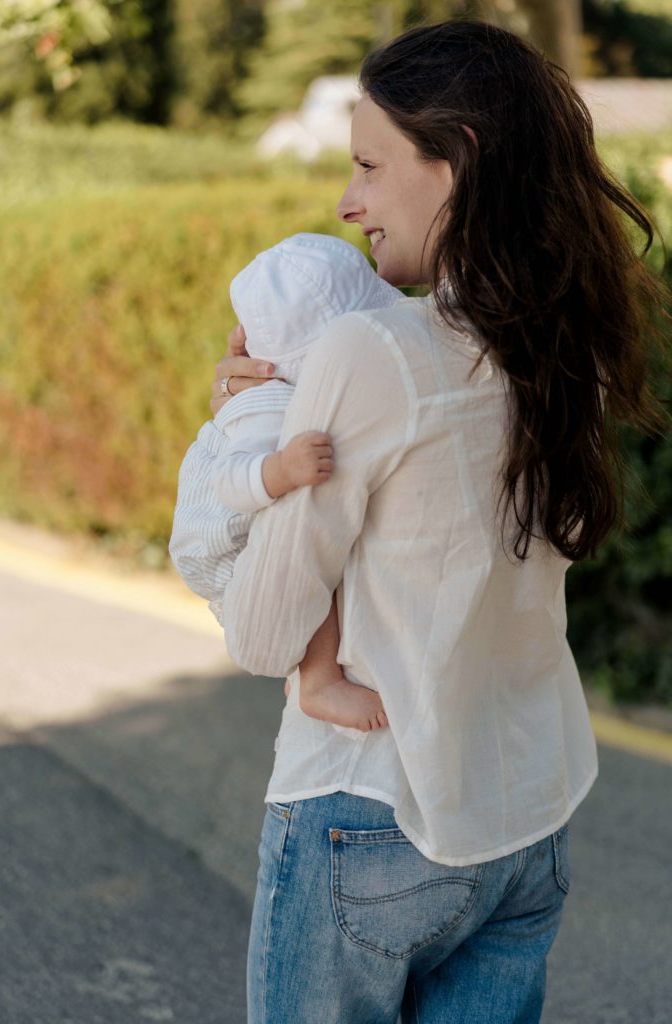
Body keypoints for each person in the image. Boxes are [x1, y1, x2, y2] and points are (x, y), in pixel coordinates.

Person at [173, 20, 666, 1024]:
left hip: (369, 815)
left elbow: (265, 636)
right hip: (525, 813)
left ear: (457, 164)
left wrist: (238, 435)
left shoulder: (369, 351)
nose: (347, 201)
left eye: (367, 165)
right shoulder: (556, 344)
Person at [169, 232, 401, 731]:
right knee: (307, 550)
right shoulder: (268, 405)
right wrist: (283, 471)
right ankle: (318, 680)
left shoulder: (298, 391)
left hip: (239, 511)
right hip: (217, 538)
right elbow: (232, 482)